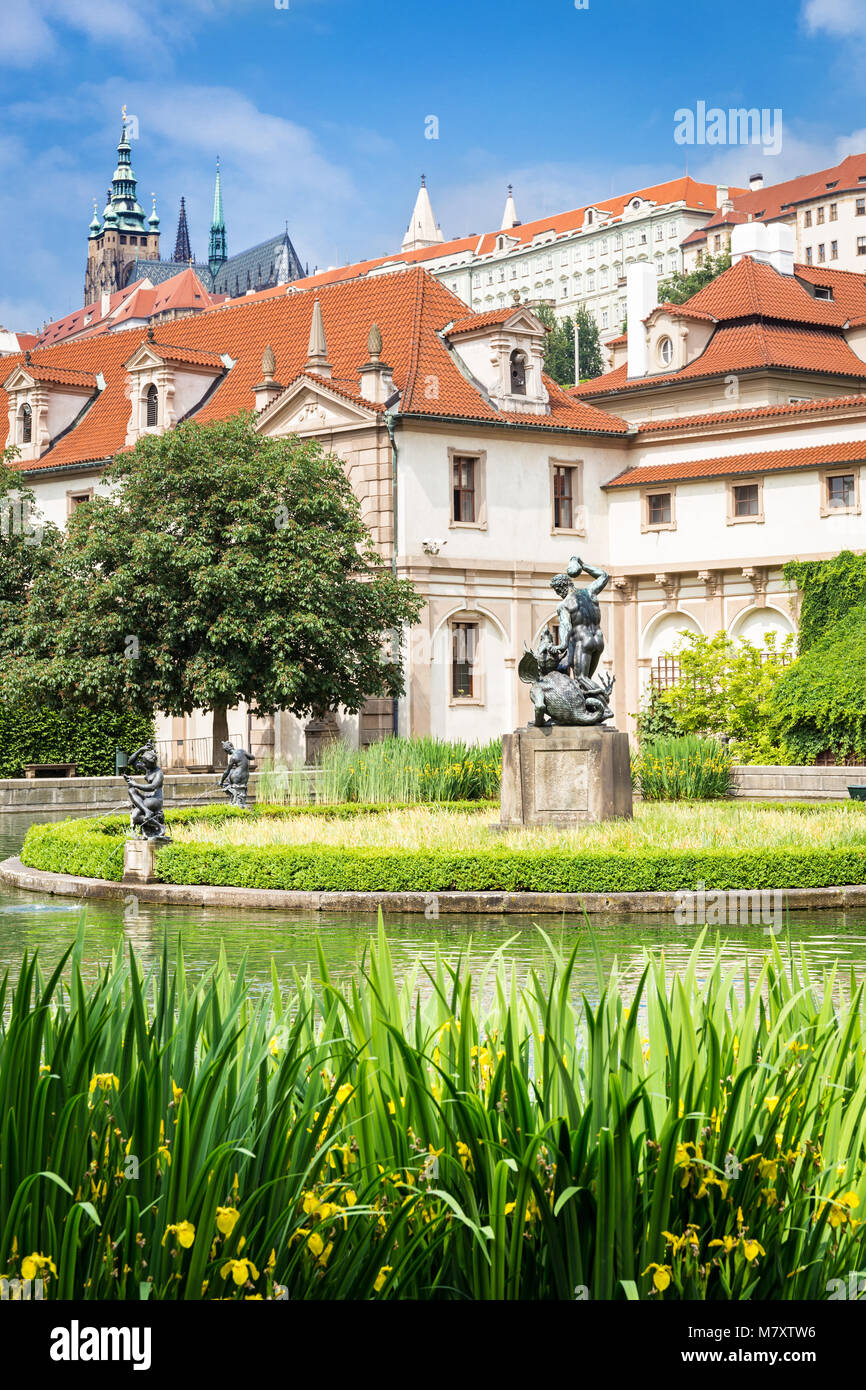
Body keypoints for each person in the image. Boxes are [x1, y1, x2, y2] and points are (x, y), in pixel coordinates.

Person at [549, 556, 610, 682]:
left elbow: (565, 625)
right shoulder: (589, 592)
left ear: (561, 588)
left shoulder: (564, 604)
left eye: (557, 591)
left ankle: (602, 695)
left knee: (581, 679)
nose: (558, 594)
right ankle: (598, 698)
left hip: (584, 640)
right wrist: (582, 565)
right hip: (599, 639)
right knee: (587, 680)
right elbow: (604, 576)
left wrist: (562, 645)